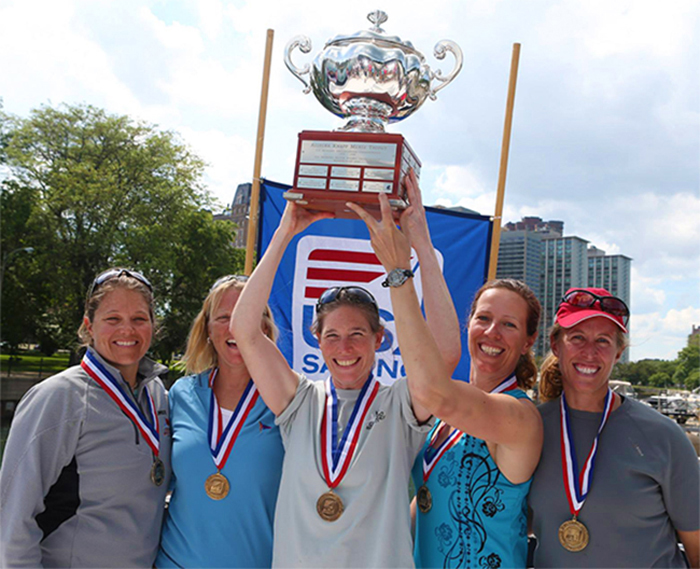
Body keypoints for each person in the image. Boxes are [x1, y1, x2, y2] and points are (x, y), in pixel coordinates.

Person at [229, 170, 462, 568]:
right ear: (316, 340)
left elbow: (443, 357)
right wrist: (286, 232)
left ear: (379, 339)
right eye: (332, 335)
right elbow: (244, 330)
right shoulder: (299, 400)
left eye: (357, 333)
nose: (345, 347)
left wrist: (420, 240)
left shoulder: (401, 404)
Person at [349, 194, 543, 568]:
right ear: (467, 323)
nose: (491, 332)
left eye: (509, 325)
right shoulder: (444, 417)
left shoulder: (519, 417)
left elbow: (431, 387)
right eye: (483, 318)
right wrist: (421, 240)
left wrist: (397, 271)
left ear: (528, 342)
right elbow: (426, 502)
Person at [0, 268, 171, 568]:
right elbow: (12, 516)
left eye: (139, 319)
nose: (127, 330)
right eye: (113, 319)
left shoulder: (156, 394)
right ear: (89, 326)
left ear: (153, 326)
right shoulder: (59, 397)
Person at [528, 287, 700, 568]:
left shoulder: (664, 436)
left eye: (603, 341)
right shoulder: (531, 428)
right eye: (578, 338)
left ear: (619, 352)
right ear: (556, 345)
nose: (589, 352)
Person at [156, 275, 284, 568]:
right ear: (207, 330)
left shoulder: (285, 401)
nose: (234, 326)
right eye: (223, 317)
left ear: (264, 327)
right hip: (176, 562)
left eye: (245, 315)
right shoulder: (180, 395)